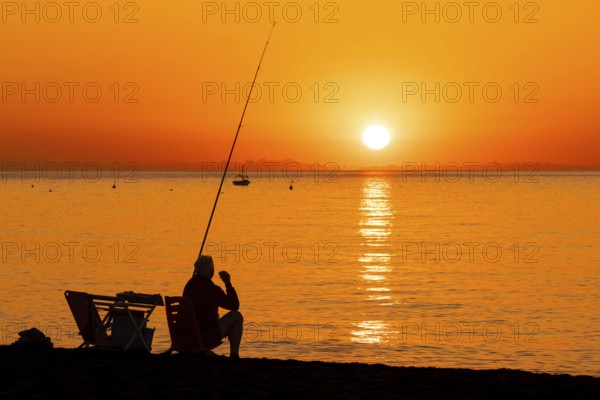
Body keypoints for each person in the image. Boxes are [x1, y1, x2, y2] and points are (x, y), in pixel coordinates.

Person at [183, 255, 243, 359]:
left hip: (187, 337)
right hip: (204, 338)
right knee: (237, 316)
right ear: (211, 271)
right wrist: (228, 283)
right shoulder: (211, 288)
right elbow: (234, 305)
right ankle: (234, 355)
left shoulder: (189, 285)